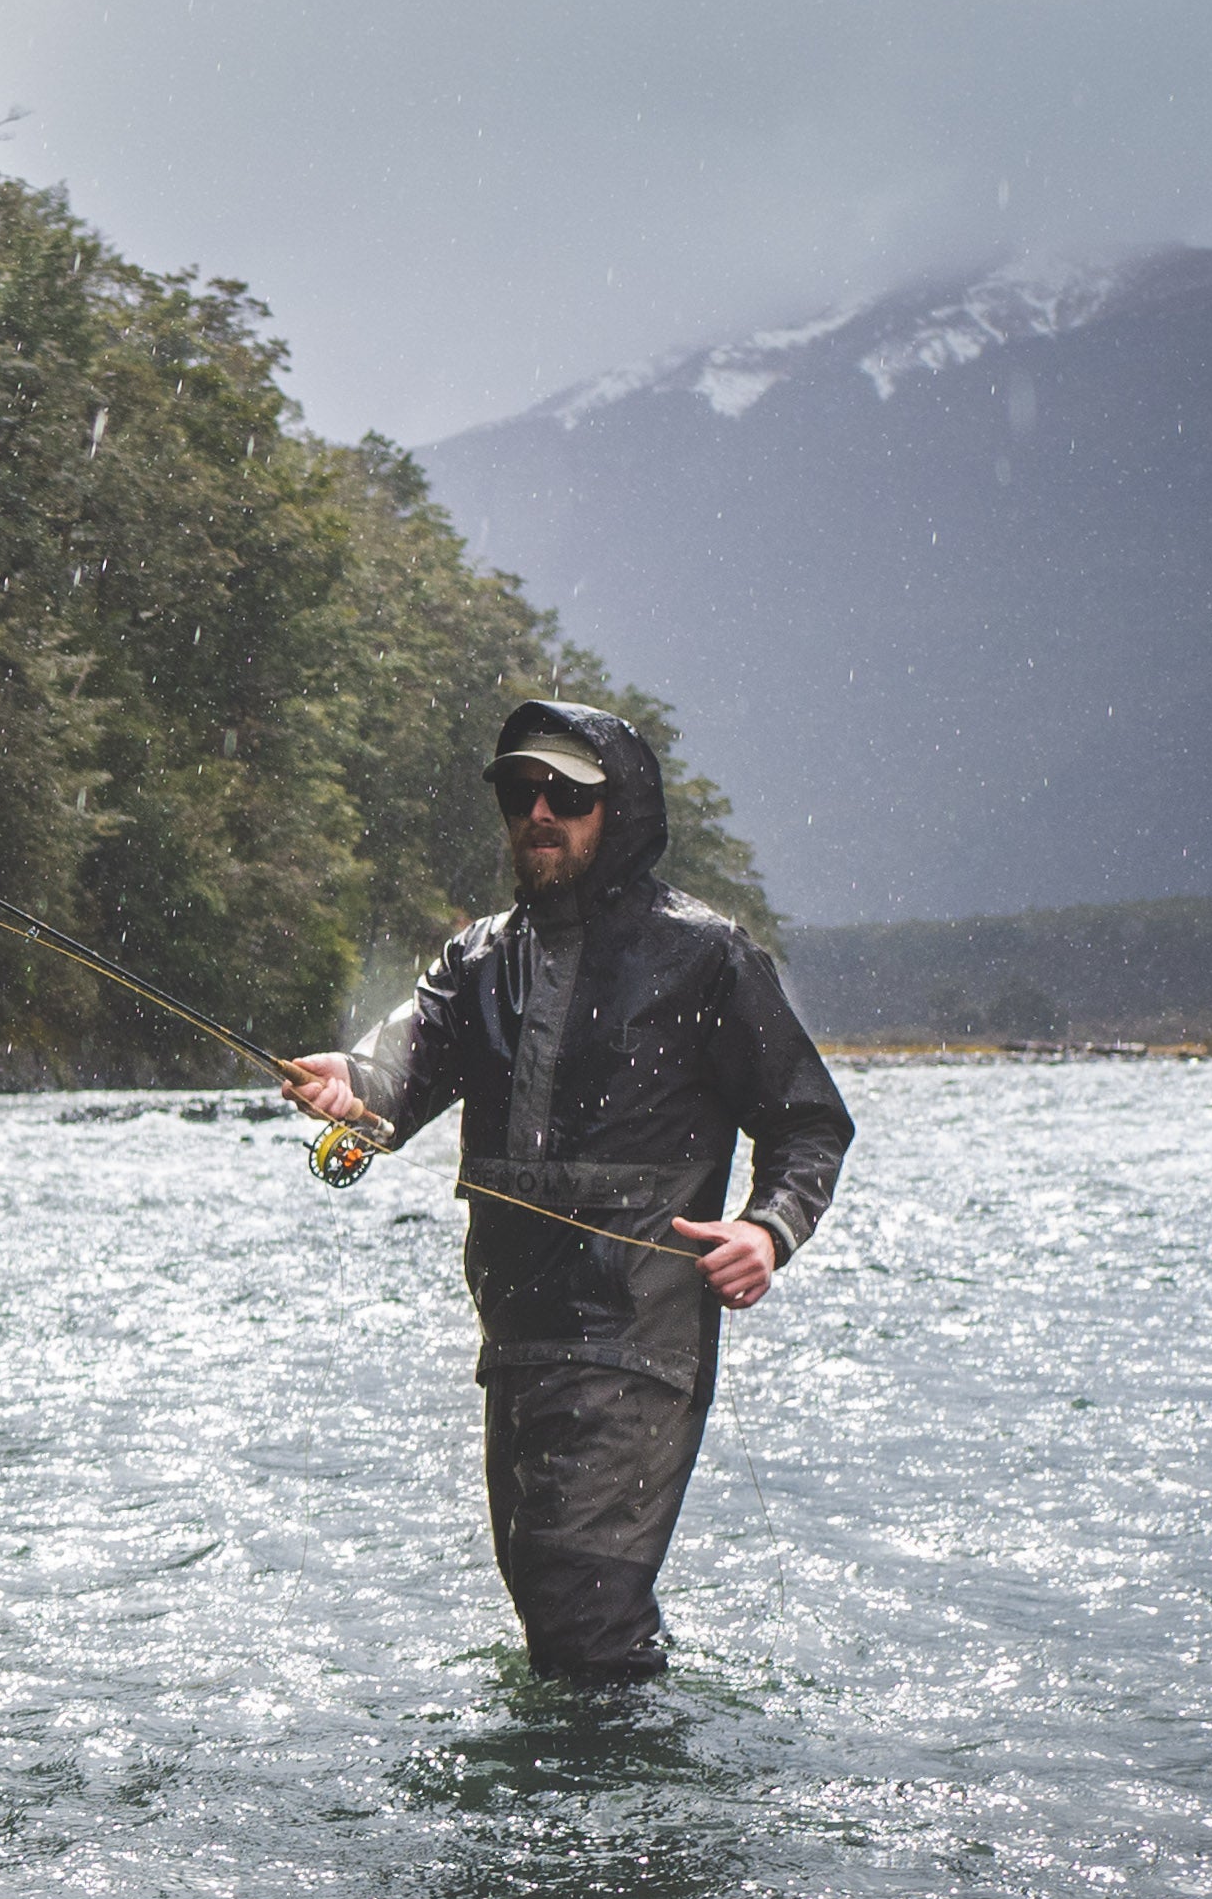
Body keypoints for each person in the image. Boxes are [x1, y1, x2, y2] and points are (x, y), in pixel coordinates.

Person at [284, 700, 853, 1680]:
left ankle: (609, 1828)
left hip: (639, 1342)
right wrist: (347, 1084)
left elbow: (809, 1123)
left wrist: (769, 1232)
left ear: (618, 809)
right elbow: (389, 1084)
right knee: (559, 1607)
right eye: (519, 792)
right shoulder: (476, 965)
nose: (539, 811)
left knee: (577, 1613)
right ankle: (617, 1788)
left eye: (567, 795)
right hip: (516, 1341)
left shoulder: (708, 957)